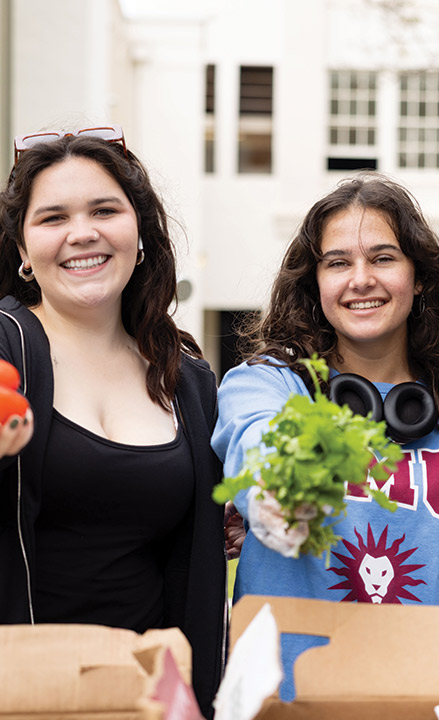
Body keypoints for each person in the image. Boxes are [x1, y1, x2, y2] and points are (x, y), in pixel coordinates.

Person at [0, 127, 226, 717]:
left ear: (140, 231)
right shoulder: (4, 348)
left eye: (105, 209)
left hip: (144, 695)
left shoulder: (188, 380)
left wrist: (234, 516)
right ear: (22, 249)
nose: (82, 233)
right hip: (20, 691)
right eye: (53, 218)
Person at [212, 173, 439, 661]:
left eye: (382, 258)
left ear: (418, 276)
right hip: (290, 702)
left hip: (434, 696)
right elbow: (256, 435)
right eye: (338, 263)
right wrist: (271, 490)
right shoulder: (266, 384)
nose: (361, 279)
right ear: (315, 283)